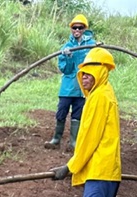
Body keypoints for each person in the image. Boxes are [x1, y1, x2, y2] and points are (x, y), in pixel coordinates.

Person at [49, 47, 121, 197]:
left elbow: (88, 139)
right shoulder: (102, 94)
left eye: (90, 72)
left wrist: (69, 167)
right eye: (83, 73)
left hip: (101, 172)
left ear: (101, 72)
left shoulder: (100, 98)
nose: (85, 77)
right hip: (104, 171)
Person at [45, 14, 97, 150]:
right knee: (61, 111)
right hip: (67, 87)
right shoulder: (67, 46)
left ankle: (73, 142)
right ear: (71, 29)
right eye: (74, 27)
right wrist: (67, 57)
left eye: (80, 27)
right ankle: (56, 140)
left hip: (82, 88)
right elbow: (65, 70)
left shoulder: (92, 46)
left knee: (77, 114)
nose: (77, 30)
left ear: (84, 29)